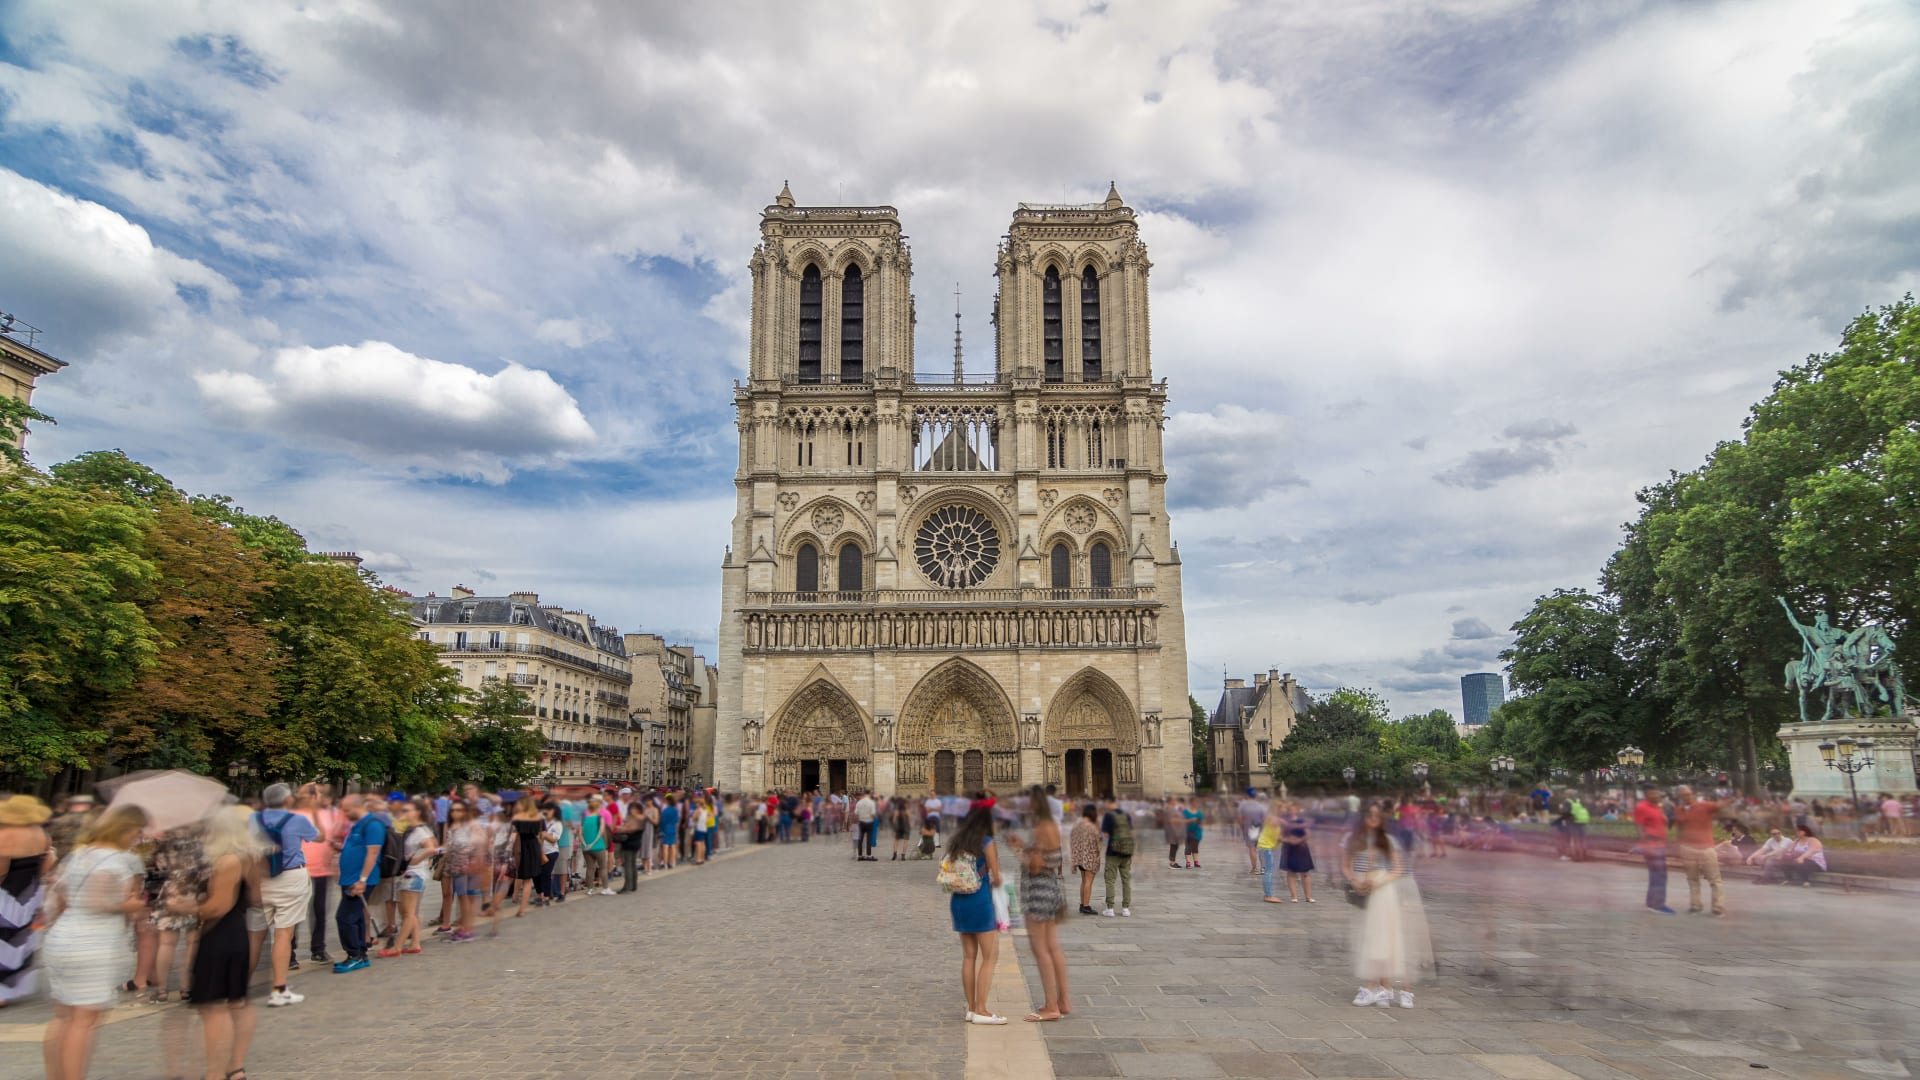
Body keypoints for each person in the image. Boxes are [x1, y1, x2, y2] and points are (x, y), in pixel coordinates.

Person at [40, 804, 150, 1080]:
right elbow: (100, 902)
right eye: (137, 831)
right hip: (94, 943)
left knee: (63, 1016)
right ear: (125, 829)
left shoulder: (80, 854)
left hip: (63, 937)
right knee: (84, 1021)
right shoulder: (119, 860)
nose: (139, 837)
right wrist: (133, 905)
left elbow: (61, 898)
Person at [174, 805, 265, 1080]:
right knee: (238, 1002)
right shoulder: (250, 856)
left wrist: (184, 907)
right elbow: (257, 899)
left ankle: (215, 1073)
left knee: (213, 1007)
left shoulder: (227, 861)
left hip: (220, 935)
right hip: (238, 932)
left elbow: (217, 907)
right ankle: (235, 1067)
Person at [1343, 802, 1433, 1009]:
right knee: (1368, 935)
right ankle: (1379, 985)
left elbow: (1398, 869)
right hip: (1363, 891)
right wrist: (1356, 882)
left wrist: (1377, 882)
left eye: (1376, 816)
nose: (1372, 820)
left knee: (1383, 935)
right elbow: (1346, 866)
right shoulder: (1355, 841)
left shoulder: (1388, 841)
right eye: (1369, 816)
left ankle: (1378, 985)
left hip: (1384, 890)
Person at [249, 782, 319, 1007]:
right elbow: (320, 837)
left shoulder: (252, 820)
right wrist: (312, 806)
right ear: (288, 800)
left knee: (254, 936)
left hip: (260, 880)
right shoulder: (297, 819)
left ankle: (240, 987)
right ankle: (279, 989)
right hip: (290, 878)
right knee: (283, 934)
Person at [946, 795, 1006, 1025]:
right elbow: (997, 876)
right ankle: (981, 1009)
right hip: (979, 900)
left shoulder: (958, 840)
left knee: (969, 956)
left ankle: (971, 1008)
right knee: (990, 956)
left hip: (958, 901)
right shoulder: (986, 840)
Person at [1011, 785, 1069, 1022]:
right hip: (1052, 889)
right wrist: (1027, 848)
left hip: (1039, 892)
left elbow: (1034, 865)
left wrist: (1018, 849)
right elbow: (1049, 859)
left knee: (1040, 949)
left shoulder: (1041, 827)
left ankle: (1050, 1006)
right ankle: (1064, 1000)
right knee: (1053, 947)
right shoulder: (1052, 826)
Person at [0, 794, 54, 1008]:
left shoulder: (5, 834)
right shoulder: (40, 833)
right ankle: (9, 988)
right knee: (19, 941)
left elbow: (1, 871)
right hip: (29, 893)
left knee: (3, 939)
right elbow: (48, 861)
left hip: (6, 894)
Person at [332, 793, 385, 972]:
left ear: (358, 807)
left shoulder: (372, 825)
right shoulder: (357, 825)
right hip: (349, 879)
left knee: (344, 918)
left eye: (347, 810)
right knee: (356, 917)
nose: (345, 813)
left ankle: (354, 954)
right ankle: (360, 952)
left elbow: (372, 853)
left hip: (360, 880)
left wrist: (362, 880)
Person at [292, 784, 340, 965]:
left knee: (320, 912)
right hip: (299, 869)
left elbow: (334, 837)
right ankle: (289, 953)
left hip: (322, 870)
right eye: (310, 791)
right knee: (295, 913)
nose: (314, 794)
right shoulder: (293, 815)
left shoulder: (330, 814)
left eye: (316, 791)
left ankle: (318, 949)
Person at [380, 799, 435, 954]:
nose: (405, 813)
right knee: (411, 912)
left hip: (414, 873)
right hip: (413, 872)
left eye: (408, 810)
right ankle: (415, 943)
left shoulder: (420, 830)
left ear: (417, 812)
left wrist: (416, 859)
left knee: (408, 913)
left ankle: (398, 946)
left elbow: (431, 848)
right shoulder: (414, 829)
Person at [1671, 785, 1724, 917]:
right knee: (1692, 879)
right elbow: (1679, 830)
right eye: (1684, 795)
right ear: (1679, 797)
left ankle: (1718, 907)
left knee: (1714, 879)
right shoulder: (1678, 810)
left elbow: (1719, 806)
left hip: (1706, 847)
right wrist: (1679, 847)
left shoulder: (1704, 806)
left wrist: (1734, 798)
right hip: (1687, 848)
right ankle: (1695, 905)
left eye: (1689, 794)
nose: (1688, 797)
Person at [440, 800, 487, 941]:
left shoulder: (470, 826)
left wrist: (475, 860)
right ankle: (463, 927)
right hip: (451, 861)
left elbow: (481, 843)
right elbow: (447, 843)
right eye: (453, 810)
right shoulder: (450, 825)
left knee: (464, 895)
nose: (456, 813)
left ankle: (467, 929)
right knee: (457, 894)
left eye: (459, 810)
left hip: (464, 861)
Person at [1632, 787, 1675, 914]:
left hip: (1660, 845)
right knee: (1660, 875)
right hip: (1651, 846)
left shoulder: (1657, 807)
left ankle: (1651, 903)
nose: (1657, 795)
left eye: (1658, 793)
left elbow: (1665, 823)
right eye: (1654, 793)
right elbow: (1639, 827)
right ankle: (1658, 905)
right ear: (1647, 794)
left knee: (1656, 875)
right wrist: (1646, 845)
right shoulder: (1642, 807)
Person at [507, 796, 544, 917]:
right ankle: (522, 909)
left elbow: (513, 836)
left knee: (516, 875)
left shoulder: (517, 818)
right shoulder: (538, 817)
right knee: (528, 880)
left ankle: (512, 898)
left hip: (520, 847)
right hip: (533, 847)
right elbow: (540, 836)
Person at [1099, 795, 1134, 917]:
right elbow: (1130, 831)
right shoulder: (1126, 814)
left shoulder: (1108, 816)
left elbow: (1106, 834)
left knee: (1110, 880)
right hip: (1126, 851)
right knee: (1126, 880)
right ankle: (1125, 908)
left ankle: (1110, 908)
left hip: (1112, 852)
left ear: (1109, 803)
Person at [1069, 803, 1103, 914]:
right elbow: (1099, 842)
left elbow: (1072, 840)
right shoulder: (1092, 827)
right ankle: (1086, 906)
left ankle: (1082, 904)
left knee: (1083, 881)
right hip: (1090, 857)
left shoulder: (1076, 825)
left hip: (1079, 857)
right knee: (1088, 881)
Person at [1280, 802, 1317, 902]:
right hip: (1289, 848)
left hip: (1301, 848)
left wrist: (1298, 840)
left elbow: (1308, 834)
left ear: (1297, 810)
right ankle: (1294, 896)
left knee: (1305, 872)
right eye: (1289, 809)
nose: (1291, 811)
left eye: (1293, 809)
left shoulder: (1301, 821)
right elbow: (1279, 836)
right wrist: (1289, 840)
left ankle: (1308, 896)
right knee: (1291, 872)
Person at [1256, 799, 1286, 903]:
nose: (1284, 809)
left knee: (1270, 871)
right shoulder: (1273, 819)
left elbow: (1279, 835)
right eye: (1283, 807)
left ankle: (1269, 894)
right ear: (1277, 809)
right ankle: (1268, 895)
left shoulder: (1273, 818)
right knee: (1269, 871)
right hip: (1266, 847)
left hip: (1268, 847)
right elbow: (1280, 832)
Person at [580, 795, 611, 893]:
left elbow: (579, 834)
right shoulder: (599, 818)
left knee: (590, 868)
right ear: (597, 808)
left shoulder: (584, 819)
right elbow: (601, 832)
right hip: (598, 846)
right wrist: (595, 843)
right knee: (603, 867)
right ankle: (605, 888)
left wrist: (585, 844)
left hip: (586, 848)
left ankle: (589, 889)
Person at [1238, 789, 1267, 875]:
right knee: (1261, 847)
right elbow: (1264, 818)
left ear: (1247, 795)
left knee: (1252, 848)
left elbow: (1240, 818)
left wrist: (1242, 827)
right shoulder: (1260, 805)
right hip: (1260, 827)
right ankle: (1263, 868)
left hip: (1249, 827)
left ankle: (1254, 868)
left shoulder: (1243, 805)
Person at [656, 794, 680, 872]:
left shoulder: (666, 810)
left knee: (665, 846)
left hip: (666, 828)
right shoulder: (675, 810)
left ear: (668, 801)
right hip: (673, 829)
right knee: (672, 846)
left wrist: (661, 828)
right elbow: (677, 820)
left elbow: (662, 821)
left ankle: (665, 863)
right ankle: (672, 862)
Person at [1162, 797, 1186, 869]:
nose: (1175, 801)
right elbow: (1171, 820)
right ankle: (1172, 863)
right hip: (1172, 830)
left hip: (1175, 829)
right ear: (1170, 801)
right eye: (1174, 800)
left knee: (1175, 846)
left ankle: (1173, 862)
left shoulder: (1172, 808)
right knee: (1174, 846)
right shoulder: (1169, 809)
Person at [1181, 800, 1205, 869]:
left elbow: (1201, 822)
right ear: (1190, 803)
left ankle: (1196, 861)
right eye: (1193, 803)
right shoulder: (1185, 811)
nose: (1195, 805)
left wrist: (1200, 825)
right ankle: (1188, 862)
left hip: (1197, 832)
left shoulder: (1199, 813)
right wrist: (1191, 820)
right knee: (1188, 847)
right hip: (1187, 832)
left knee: (1195, 847)